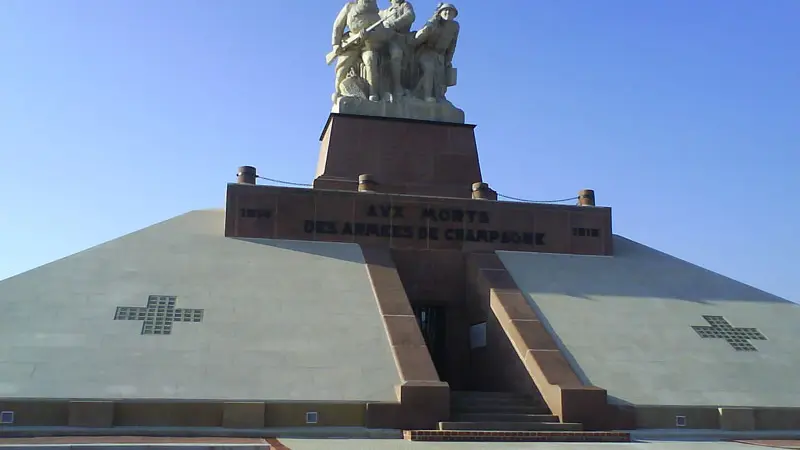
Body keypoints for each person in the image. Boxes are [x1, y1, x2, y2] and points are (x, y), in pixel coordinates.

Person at [330, 0, 392, 101]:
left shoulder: (375, 13)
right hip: (350, 44)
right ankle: (338, 92)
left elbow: (382, 34)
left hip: (368, 45)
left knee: (370, 60)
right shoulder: (349, 7)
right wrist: (336, 44)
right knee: (342, 65)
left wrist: (370, 35)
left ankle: (373, 93)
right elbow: (338, 26)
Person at [413, 3, 460, 102]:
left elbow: (452, 45)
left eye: (450, 11)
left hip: (440, 55)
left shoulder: (455, 26)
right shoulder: (435, 22)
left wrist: (448, 60)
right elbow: (422, 34)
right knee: (429, 70)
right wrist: (434, 19)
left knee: (440, 80)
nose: (447, 13)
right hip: (426, 51)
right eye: (445, 10)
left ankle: (438, 97)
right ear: (440, 13)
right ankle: (427, 96)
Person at [380, 0, 416, 98]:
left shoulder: (405, 5)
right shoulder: (383, 12)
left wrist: (393, 24)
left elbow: (410, 16)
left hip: (400, 39)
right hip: (385, 39)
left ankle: (397, 86)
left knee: (397, 54)